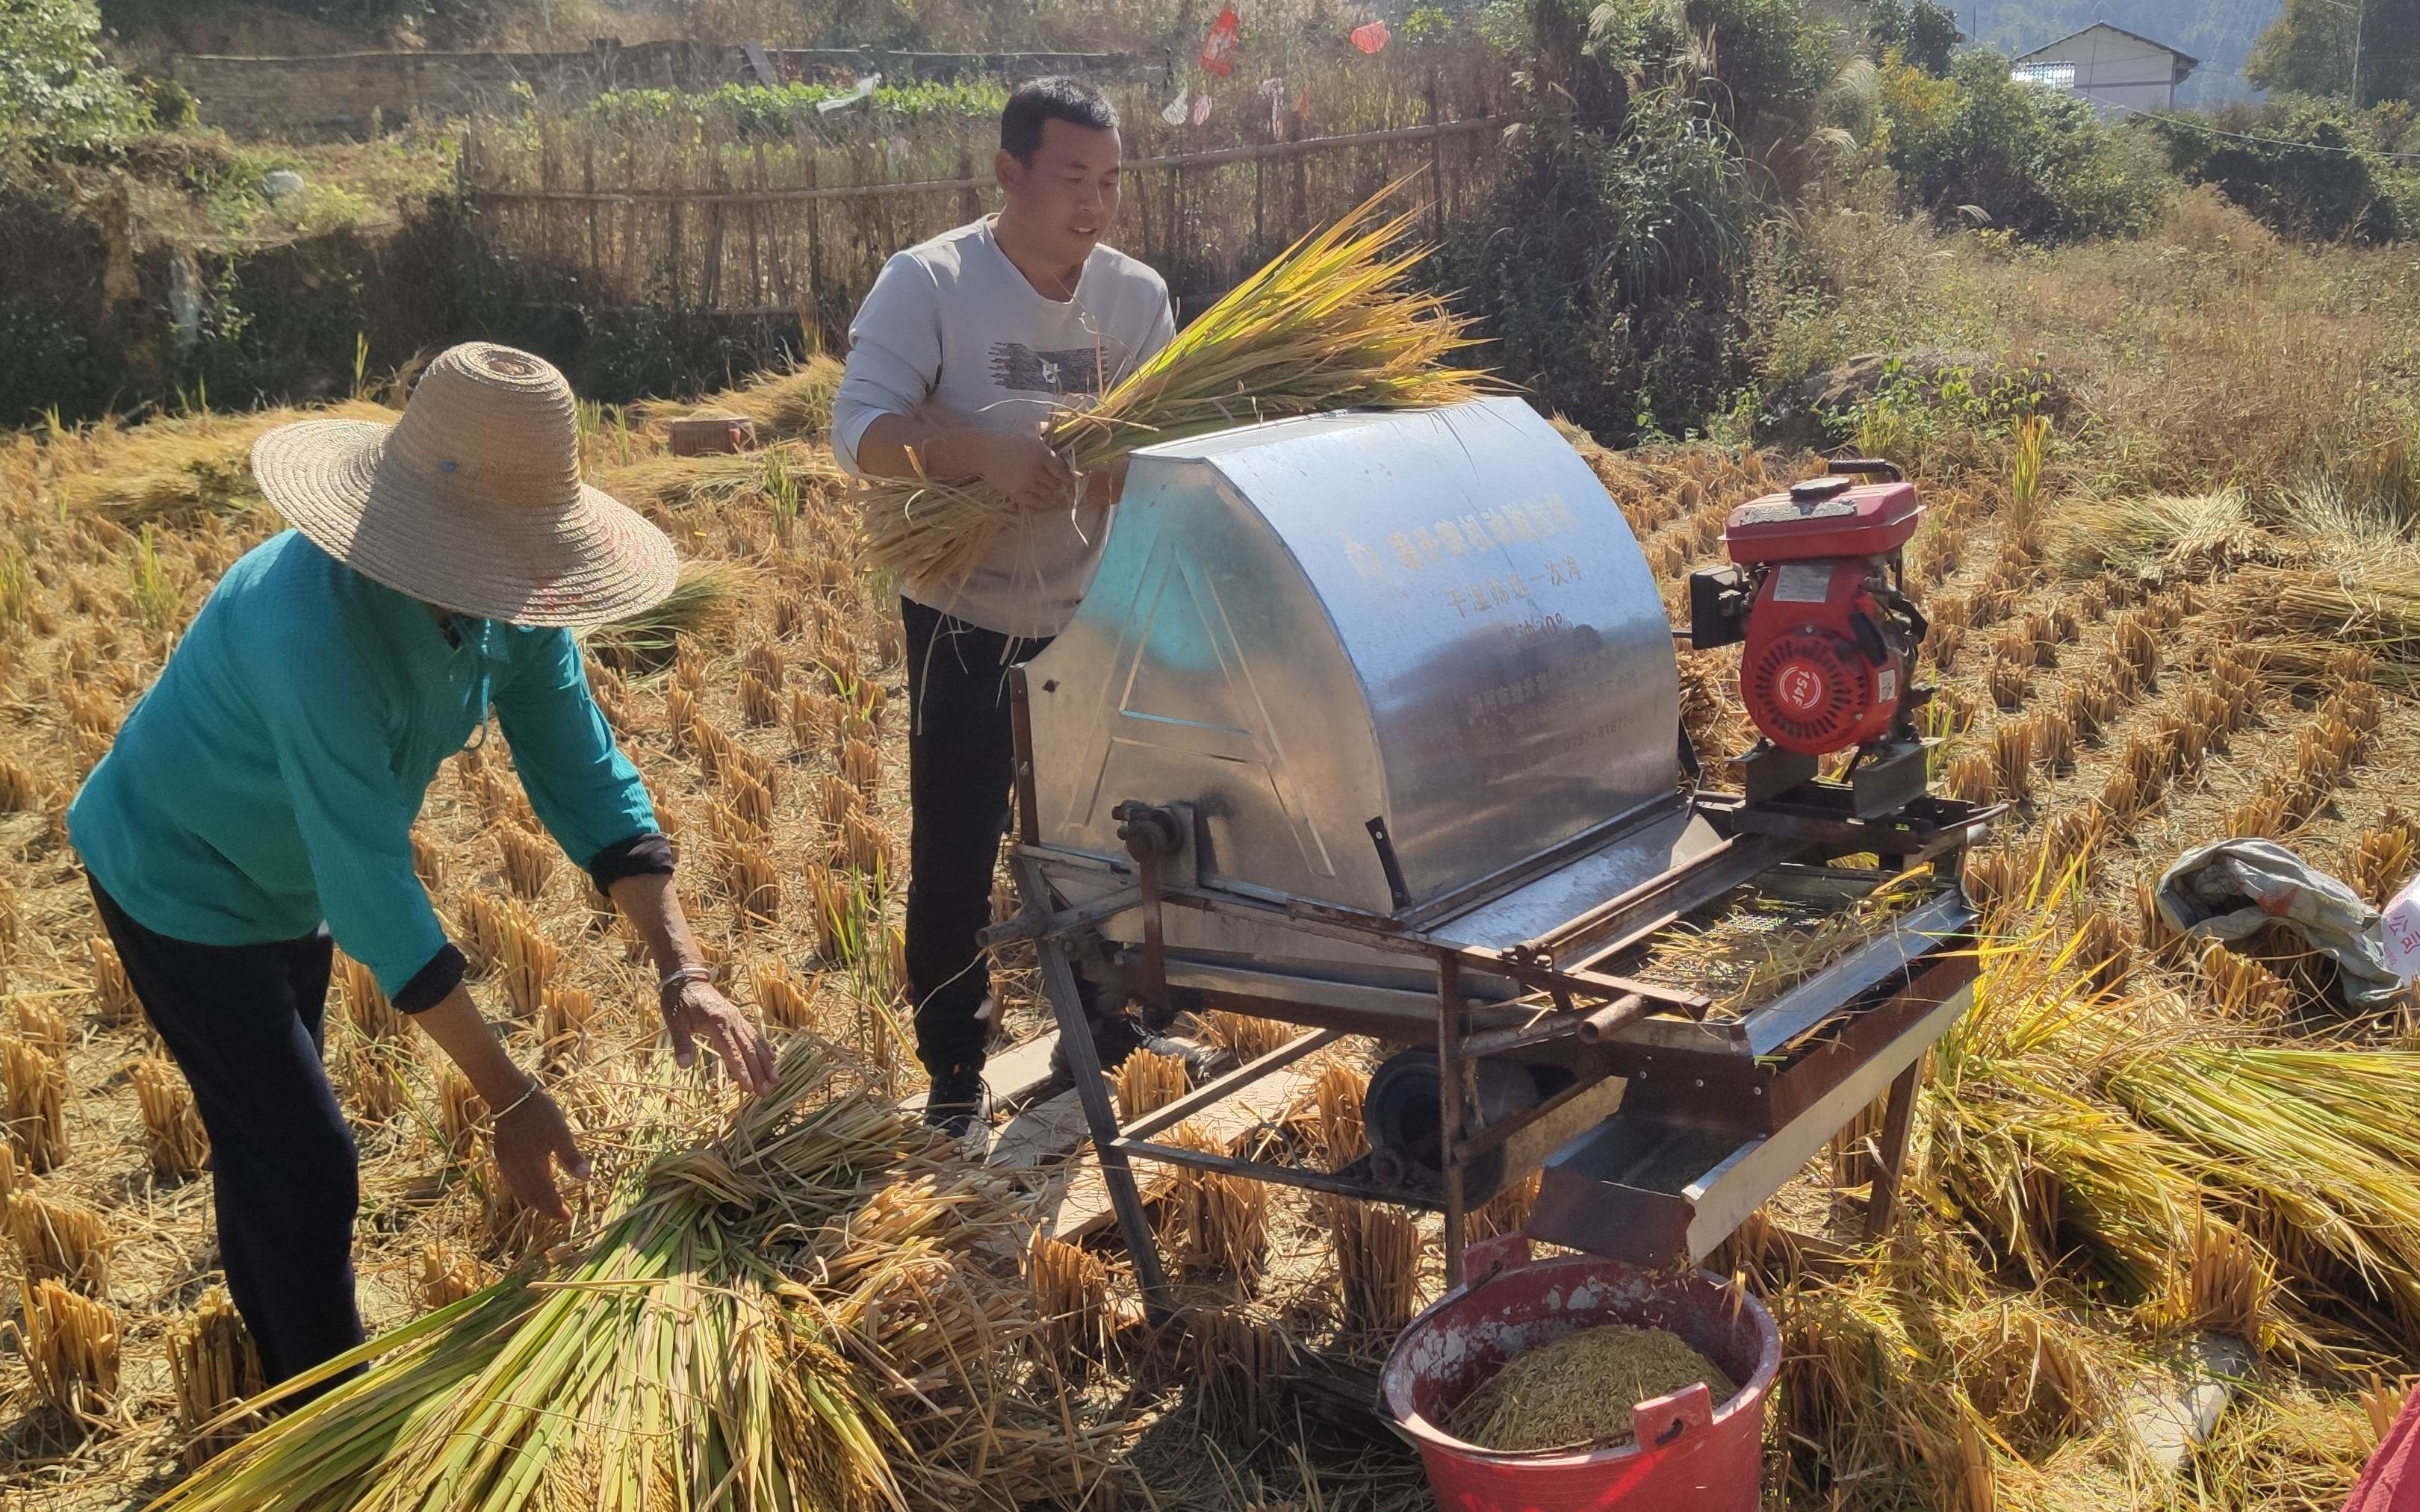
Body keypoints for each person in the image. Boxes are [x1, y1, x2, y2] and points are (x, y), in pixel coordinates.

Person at [66, 342, 776, 1392]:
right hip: (176, 876)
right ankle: (328, 1414)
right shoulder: (307, 628)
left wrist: (684, 969)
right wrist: (507, 1094)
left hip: (288, 876)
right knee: (310, 1156)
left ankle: (283, 1369)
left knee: (272, 1136)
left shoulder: (511, 606)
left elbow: (586, 774)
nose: (536, 577)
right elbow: (372, 894)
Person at [831, 77, 1181, 1136]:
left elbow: (1163, 447)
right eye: (1072, 176)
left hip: (1089, 605)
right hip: (963, 608)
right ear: (1010, 171)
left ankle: (1115, 1031)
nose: (1094, 202)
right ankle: (952, 1069)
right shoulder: (931, 281)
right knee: (959, 838)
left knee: (1108, 834)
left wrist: (1120, 465)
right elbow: (859, 432)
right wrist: (971, 455)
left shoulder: (1134, 296)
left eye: (1111, 180)